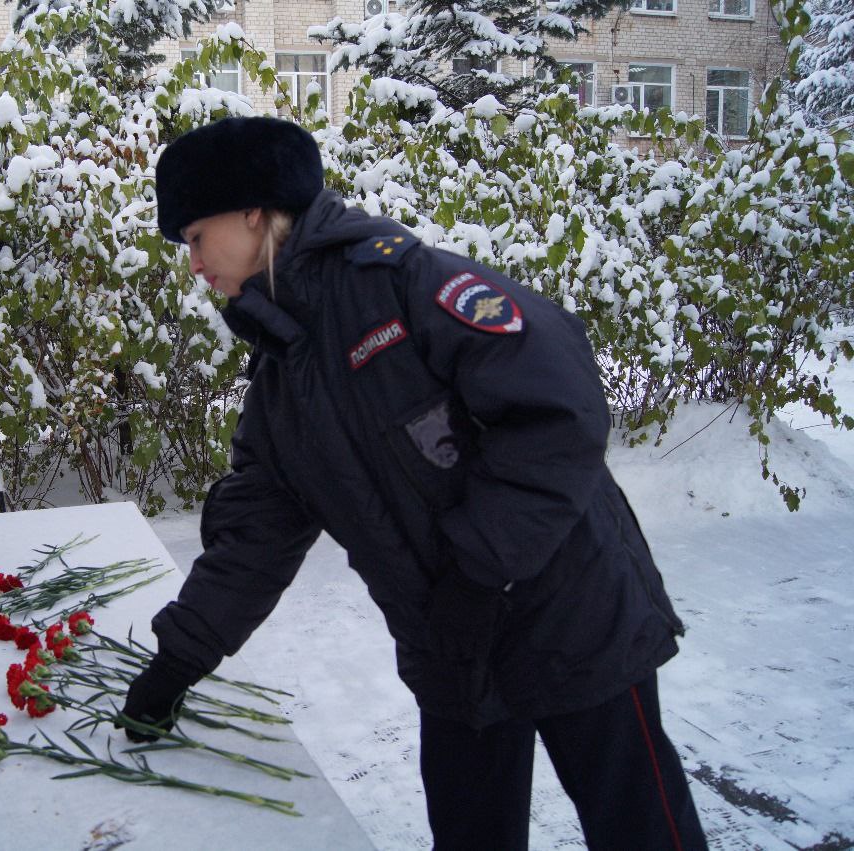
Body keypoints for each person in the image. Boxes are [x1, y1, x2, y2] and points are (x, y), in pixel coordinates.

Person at [121, 115, 707, 850]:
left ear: (253, 209)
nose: (193, 263)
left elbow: (558, 407)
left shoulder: (398, 282)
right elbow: (254, 543)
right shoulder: (280, 387)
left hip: (571, 614)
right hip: (455, 648)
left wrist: (476, 569)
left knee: (642, 831)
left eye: (195, 237)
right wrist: (175, 663)